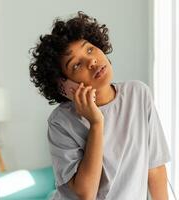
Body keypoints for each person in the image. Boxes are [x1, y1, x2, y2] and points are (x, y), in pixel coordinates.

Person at [29, 11, 171, 200]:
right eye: (76, 65)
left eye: (90, 49)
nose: (91, 61)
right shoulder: (60, 122)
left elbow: (155, 168)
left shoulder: (138, 94)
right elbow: (86, 193)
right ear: (64, 86)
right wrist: (96, 123)